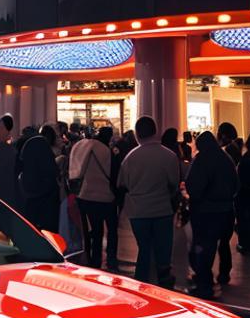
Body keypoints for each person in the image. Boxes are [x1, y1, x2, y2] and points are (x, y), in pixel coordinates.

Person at [117, 116, 180, 287]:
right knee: (163, 250)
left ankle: (142, 283)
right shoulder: (169, 156)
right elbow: (174, 183)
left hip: (138, 212)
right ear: (156, 131)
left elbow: (123, 184)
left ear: (137, 134)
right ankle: (164, 282)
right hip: (162, 210)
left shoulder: (130, 157)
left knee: (144, 248)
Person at [185, 130, 239, 297]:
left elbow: (194, 186)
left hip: (205, 211)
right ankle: (224, 273)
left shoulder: (201, 160)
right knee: (223, 243)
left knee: (203, 247)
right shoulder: (226, 159)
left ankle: (204, 283)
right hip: (226, 210)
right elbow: (236, 185)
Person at [74, 126, 118, 270]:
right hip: (107, 197)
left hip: (87, 195)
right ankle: (111, 260)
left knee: (96, 230)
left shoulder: (85, 147)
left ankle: (95, 260)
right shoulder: (108, 151)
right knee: (112, 229)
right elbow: (114, 174)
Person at [18, 130, 61, 231]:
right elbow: (52, 170)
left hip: (30, 203)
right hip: (48, 204)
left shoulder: (24, 179)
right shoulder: (50, 183)